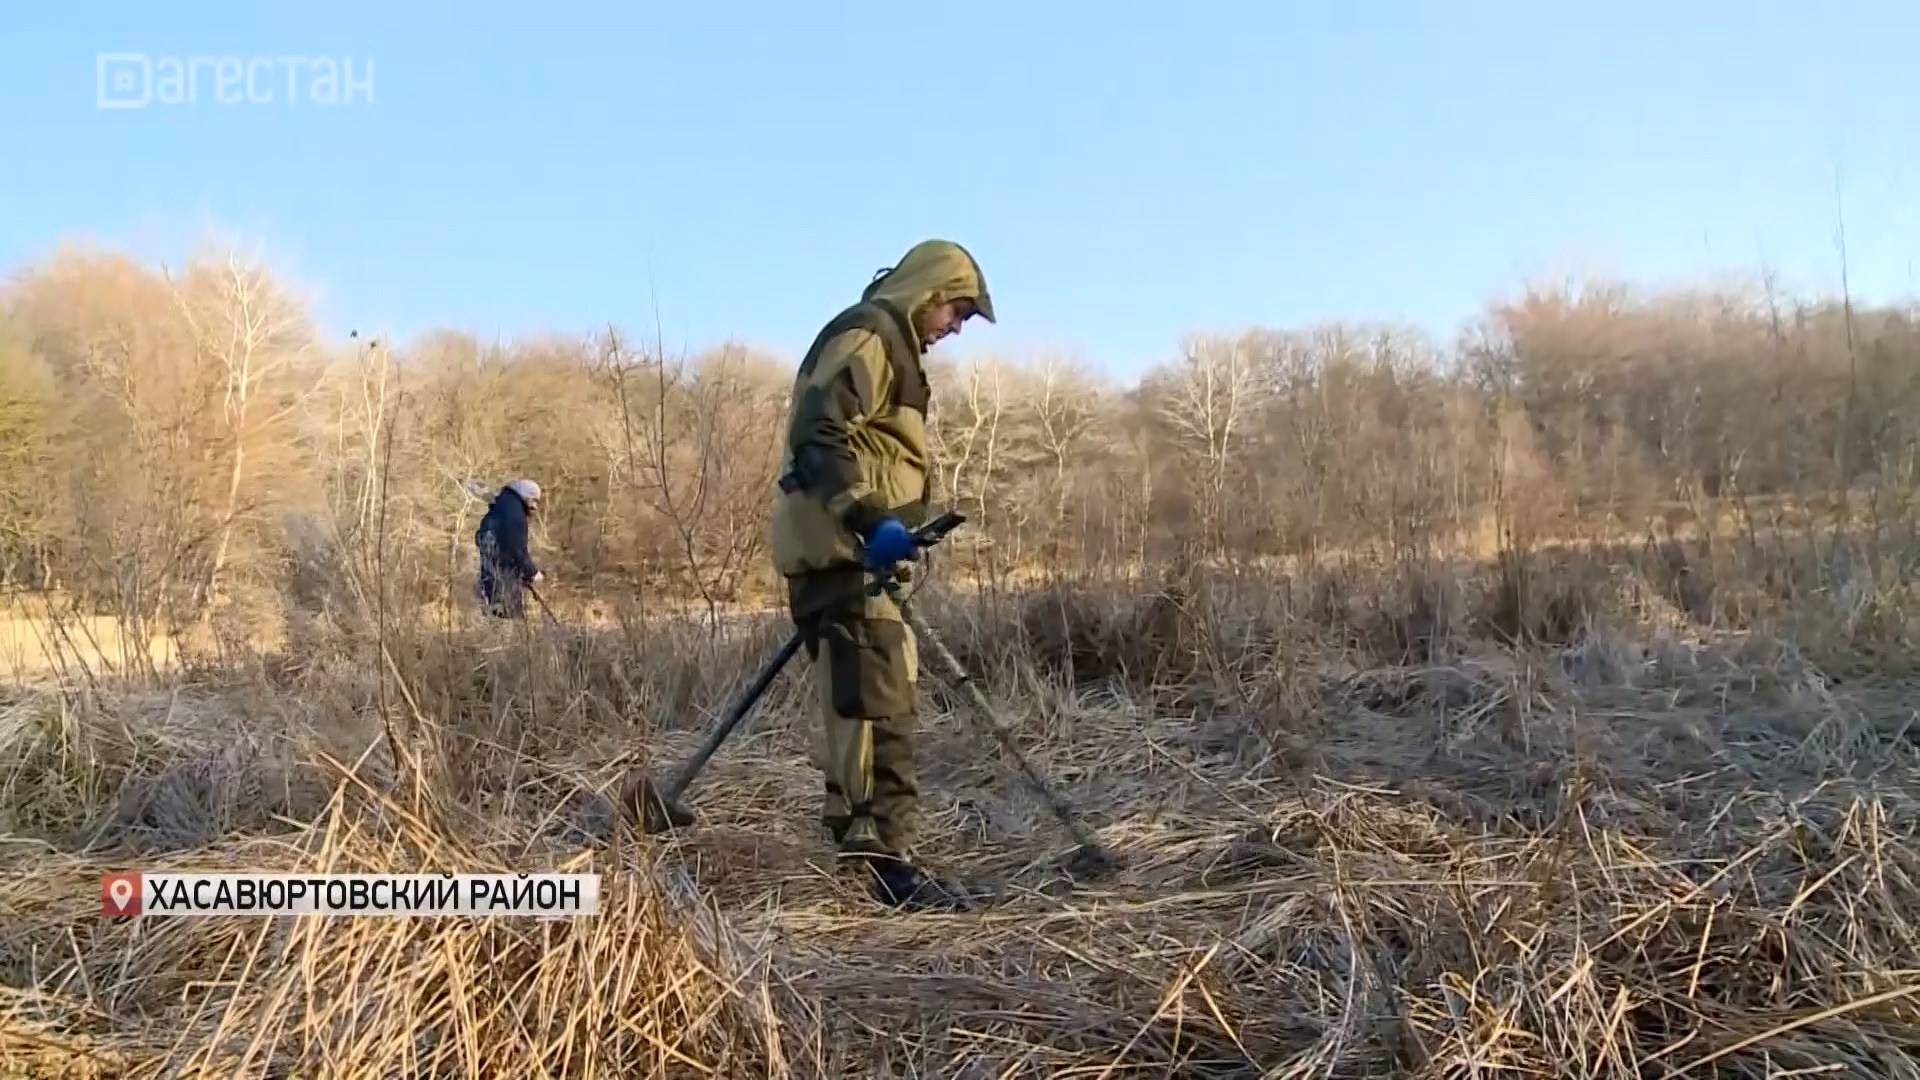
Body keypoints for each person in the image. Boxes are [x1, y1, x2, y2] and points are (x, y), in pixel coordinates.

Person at [768, 239, 995, 911]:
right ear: (928, 293)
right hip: (843, 552)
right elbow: (819, 431)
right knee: (871, 703)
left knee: (875, 696)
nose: (954, 328)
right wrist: (867, 518)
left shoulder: (890, 343)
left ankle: (869, 848)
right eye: (955, 312)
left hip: (857, 554)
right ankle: (879, 866)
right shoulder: (869, 335)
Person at [475, 478, 544, 619]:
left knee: (493, 620)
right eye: (534, 500)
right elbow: (516, 547)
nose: (535, 507)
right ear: (525, 496)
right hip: (505, 582)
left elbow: (480, 537)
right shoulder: (514, 515)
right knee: (508, 623)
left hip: (488, 579)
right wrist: (531, 572)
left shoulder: (498, 509)